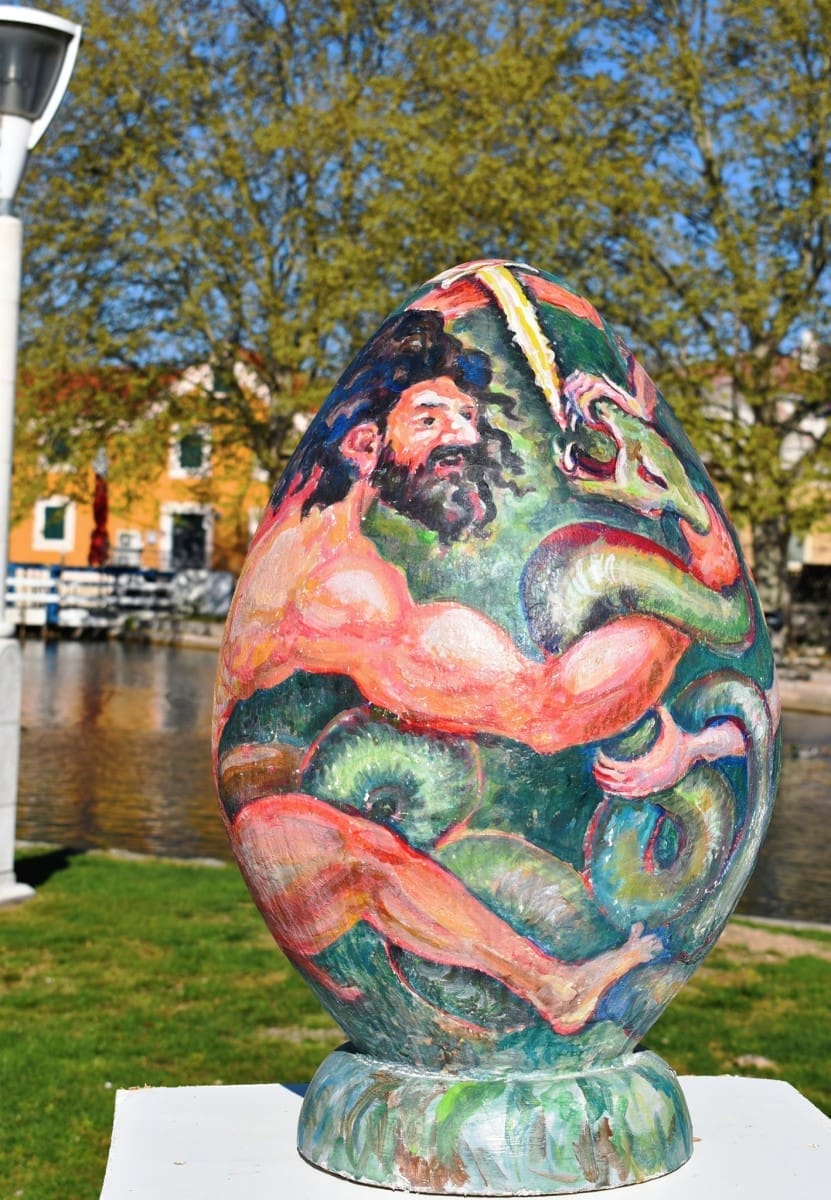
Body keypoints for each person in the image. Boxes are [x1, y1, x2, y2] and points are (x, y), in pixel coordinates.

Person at [213, 309, 703, 1035]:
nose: (465, 437)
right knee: (333, 844)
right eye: (430, 418)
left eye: (468, 418)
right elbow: (544, 712)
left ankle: (553, 986)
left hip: (297, 807)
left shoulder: (323, 543)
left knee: (344, 841)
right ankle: (553, 987)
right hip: (286, 837)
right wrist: (687, 609)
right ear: (364, 443)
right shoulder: (337, 589)